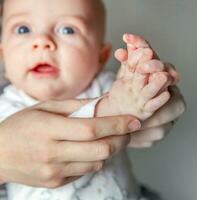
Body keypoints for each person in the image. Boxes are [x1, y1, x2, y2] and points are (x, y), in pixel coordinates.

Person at [0, 0, 184, 199]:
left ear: (100, 57)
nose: (42, 41)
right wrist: (118, 106)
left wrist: (143, 82)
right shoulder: (7, 107)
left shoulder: (106, 88)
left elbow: (136, 110)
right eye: (23, 29)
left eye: (68, 30)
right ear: (3, 55)